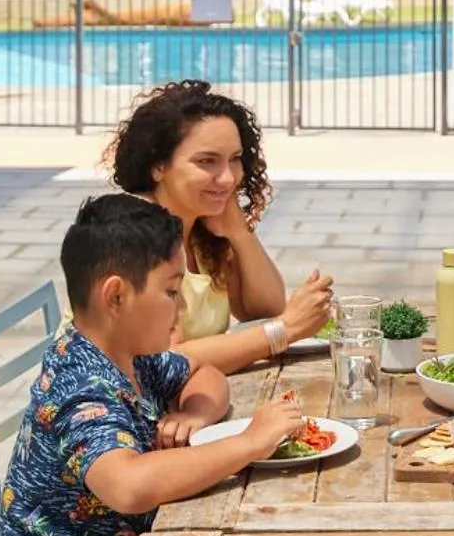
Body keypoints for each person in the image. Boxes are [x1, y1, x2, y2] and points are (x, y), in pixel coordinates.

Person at [0, 193, 308, 536]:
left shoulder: (128, 354)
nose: (180, 309)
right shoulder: (80, 385)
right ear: (116, 297)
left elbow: (203, 371)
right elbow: (130, 486)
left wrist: (194, 413)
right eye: (171, 291)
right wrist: (248, 443)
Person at [110, 80, 333, 374]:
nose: (228, 178)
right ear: (158, 166)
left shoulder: (199, 227)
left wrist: (239, 232)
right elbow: (165, 362)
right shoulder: (135, 235)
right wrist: (286, 329)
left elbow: (263, 310)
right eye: (207, 161)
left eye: (235, 159)